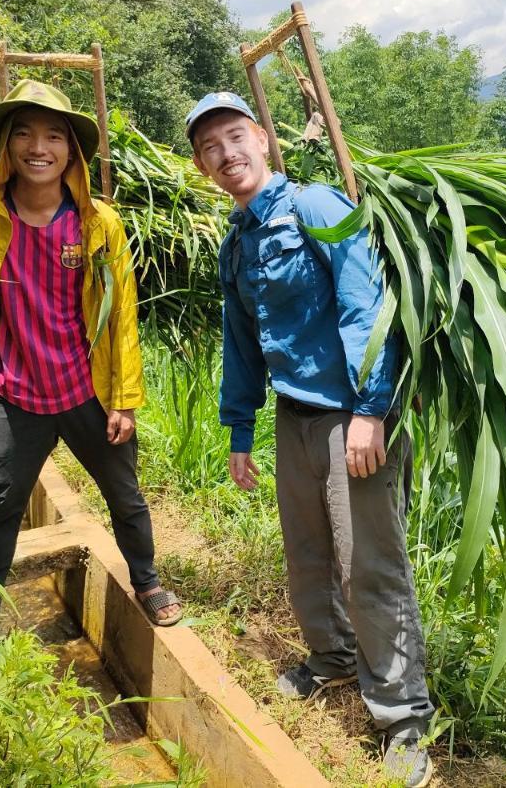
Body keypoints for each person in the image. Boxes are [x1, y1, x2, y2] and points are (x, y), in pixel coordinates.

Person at [187, 91, 434, 787]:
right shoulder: (236, 244)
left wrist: (370, 409)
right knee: (307, 555)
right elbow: (242, 345)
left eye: (236, 137)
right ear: (203, 166)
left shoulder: (318, 207)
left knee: (368, 567)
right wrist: (240, 428)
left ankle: (404, 718)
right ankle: (331, 660)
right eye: (211, 147)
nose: (227, 154)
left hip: (349, 417)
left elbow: (364, 302)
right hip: (293, 419)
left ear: (263, 139)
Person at [0, 79, 181, 626]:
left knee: (125, 497)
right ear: (5, 146)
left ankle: (146, 582)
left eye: (53, 135)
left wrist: (125, 399)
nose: (38, 147)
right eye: (23, 134)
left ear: (71, 149)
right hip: (16, 396)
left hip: (87, 393)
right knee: (0, 505)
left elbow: (121, 318)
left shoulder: (98, 222)